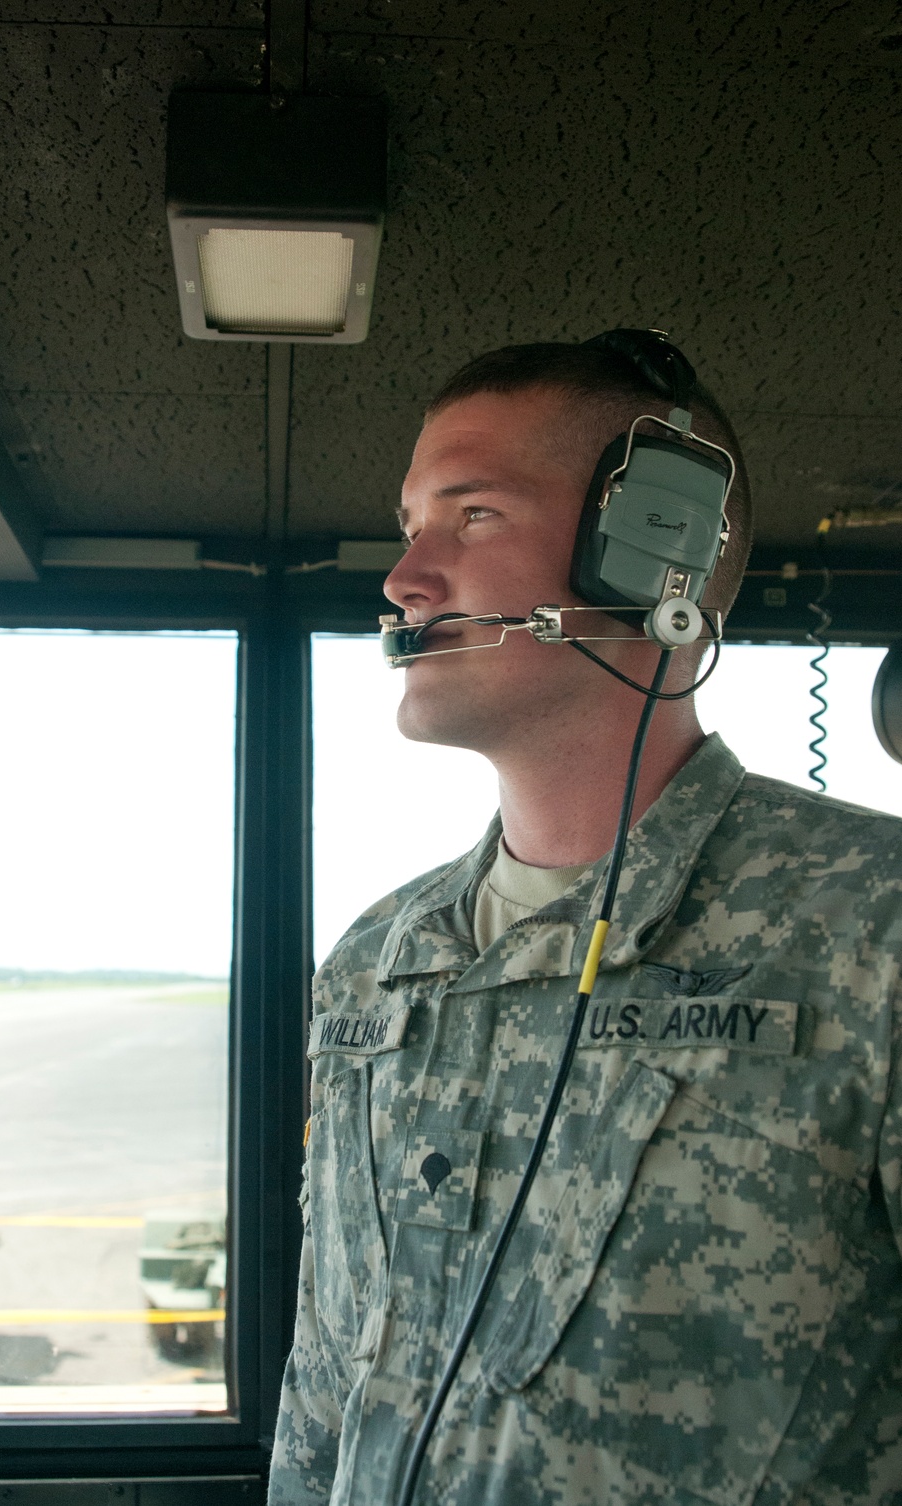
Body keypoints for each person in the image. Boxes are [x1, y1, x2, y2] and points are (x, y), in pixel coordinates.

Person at [268, 340, 902, 1505]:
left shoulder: (870, 924)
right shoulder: (380, 957)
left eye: (471, 516)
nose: (405, 576)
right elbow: (324, 1382)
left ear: (652, 542)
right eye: (412, 523)